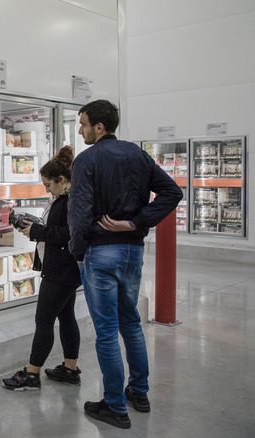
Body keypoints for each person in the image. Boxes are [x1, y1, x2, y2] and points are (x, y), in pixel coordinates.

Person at [68, 100, 182, 429]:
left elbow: (79, 212)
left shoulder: (86, 160)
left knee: (105, 333)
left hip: (100, 254)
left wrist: (77, 251)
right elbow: (172, 192)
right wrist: (134, 224)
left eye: (83, 124)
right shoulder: (138, 155)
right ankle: (140, 393)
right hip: (133, 253)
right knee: (131, 324)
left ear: (99, 127)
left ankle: (115, 406)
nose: (80, 130)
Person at [2, 146, 83, 391]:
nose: (46, 189)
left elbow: (69, 233)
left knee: (44, 321)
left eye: (48, 184)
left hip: (60, 270)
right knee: (66, 316)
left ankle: (31, 374)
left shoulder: (71, 200)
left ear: (61, 180)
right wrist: (36, 227)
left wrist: (36, 231)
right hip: (68, 269)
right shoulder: (66, 197)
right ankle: (70, 369)